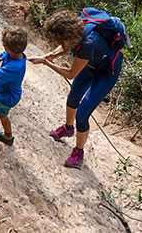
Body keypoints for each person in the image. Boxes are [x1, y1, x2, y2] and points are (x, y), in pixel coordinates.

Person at [30, 10, 124, 168]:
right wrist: (53, 54)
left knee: (82, 115)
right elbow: (66, 45)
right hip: (91, 63)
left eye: (59, 40)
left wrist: (46, 63)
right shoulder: (78, 27)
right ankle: (68, 128)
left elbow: (71, 73)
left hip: (106, 74)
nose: (59, 42)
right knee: (73, 97)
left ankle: (79, 152)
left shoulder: (88, 43)